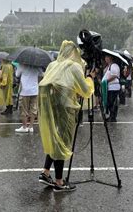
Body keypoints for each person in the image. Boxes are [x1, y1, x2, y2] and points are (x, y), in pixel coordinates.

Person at [38, 40, 94, 192]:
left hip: (50, 109)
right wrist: (90, 79)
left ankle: (45, 172)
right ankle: (59, 182)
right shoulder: (73, 66)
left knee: (55, 140)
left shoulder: (52, 65)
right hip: (66, 110)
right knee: (62, 142)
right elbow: (85, 90)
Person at [15, 63, 43, 133]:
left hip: (25, 90)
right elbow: (41, 74)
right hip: (34, 90)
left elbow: (17, 75)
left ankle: (24, 127)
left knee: (24, 109)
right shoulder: (37, 66)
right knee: (33, 108)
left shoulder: (22, 65)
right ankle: (31, 127)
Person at [103, 54, 120, 122]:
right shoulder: (109, 66)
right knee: (109, 102)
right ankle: (111, 116)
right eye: (105, 57)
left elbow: (114, 75)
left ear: (110, 58)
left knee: (112, 102)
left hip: (113, 87)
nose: (105, 58)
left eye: (107, 57)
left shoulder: (114, 65)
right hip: (109, 87)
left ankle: (113, 117)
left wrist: (106, 81)